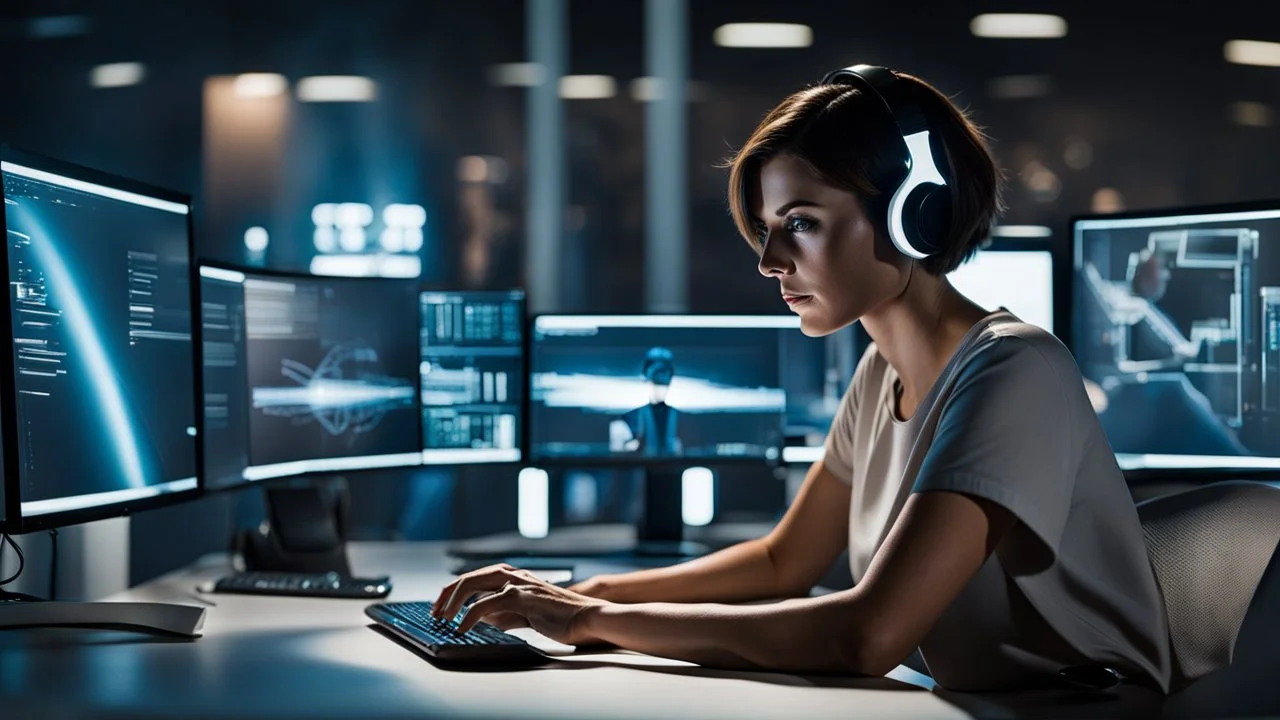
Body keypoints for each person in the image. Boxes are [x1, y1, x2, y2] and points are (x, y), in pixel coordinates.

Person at [433, 64, 1173, 692]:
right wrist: (576, 593)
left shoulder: (1016, 371)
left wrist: (591, 624)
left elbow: (869, 633)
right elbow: (785, 560)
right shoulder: (881, 372)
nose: (769, 262)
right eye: (767, 229)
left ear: (914, 213)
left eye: (802, 223)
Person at [609, 346, 683, 456]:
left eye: (664, 373)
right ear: (646, 375)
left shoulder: (678, 417)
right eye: (656, 376)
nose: (660, 379)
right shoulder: (627, 420)